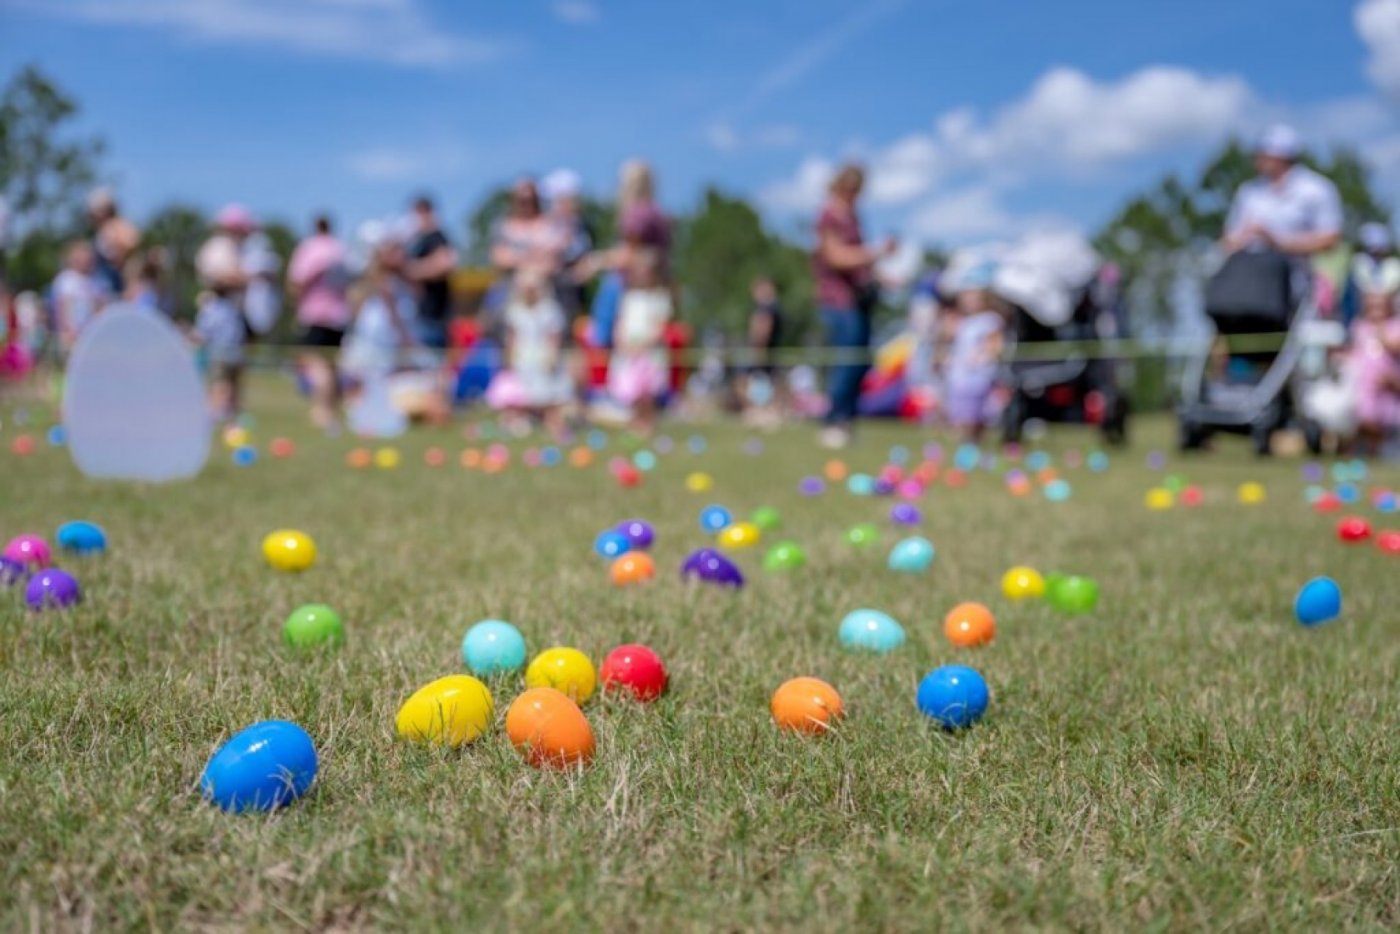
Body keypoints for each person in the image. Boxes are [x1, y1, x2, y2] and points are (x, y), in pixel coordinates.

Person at [812, 162, 895, 449]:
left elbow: (860, 262)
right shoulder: (829, 214)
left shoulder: (853, 217)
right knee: (846, 362)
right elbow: (835, 257)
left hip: (858, 301)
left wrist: (881, 276)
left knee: (859, 362)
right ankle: (833, 421)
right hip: (838, 301)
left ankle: (847, 422)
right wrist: (876, 252)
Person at [1223, 125, 1342, 260]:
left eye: (1264, 155)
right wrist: (1239, 239)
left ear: (1282, 157)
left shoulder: (1316, 188)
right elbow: (1228, 238)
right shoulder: (1248, 191)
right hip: (1247, 265)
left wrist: (1277, 241)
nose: (1258, 159)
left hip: (1295, 268)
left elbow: (1330, 239)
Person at [486, 267, 571, 436]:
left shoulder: (549, 309)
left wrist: (552, 355)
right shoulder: (515, 310)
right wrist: (509, 357)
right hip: (523, 357)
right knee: (518, 393)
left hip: (542, 357)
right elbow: (512, 337)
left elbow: (553, 336)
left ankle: (551, 423)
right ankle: (517, 420)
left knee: (549, 396)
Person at [288, 214, 352, 428]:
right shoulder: (341, 249)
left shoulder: (310, 248)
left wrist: (296, 303)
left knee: (317, 363)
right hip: (339, 315)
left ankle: (322, 411)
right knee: (332, 365)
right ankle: (332, 411)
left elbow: (299, 279)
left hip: (315, 314)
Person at [608, 248, 672, 434]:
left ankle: (647, 423)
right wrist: (622, 342)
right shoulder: (627, 296)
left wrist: (642, 346)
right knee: (631, 389)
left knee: (647, 390)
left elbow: (659, 327)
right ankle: (635, 423)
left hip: (649, 352)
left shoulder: (659, 297)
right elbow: (620, 323)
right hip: (628, 351)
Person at [942, 268, 1008, 442]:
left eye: (974, 297)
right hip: (960, 374)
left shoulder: (990, 319)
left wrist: (983, 356)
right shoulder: (963, 321)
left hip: (979, 375)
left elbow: (996, 344)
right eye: (967, 297)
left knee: (976, 413)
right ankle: (965, 442)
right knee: (959, 412)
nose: (970, 301)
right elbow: (952, 342)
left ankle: (974, 441)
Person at [1346, 288, 1400, 455]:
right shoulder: (1359, 326)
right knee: (1363, 416)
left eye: (1381, 306)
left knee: (1384, 417)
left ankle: (1380, 449)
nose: (1377, 311)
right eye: (1373, 306)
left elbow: (1395, 346)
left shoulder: (1394, 326)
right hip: (1364, 386)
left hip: (1388, 388)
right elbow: (1355, 351)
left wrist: (1380, 331)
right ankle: (1366, 450)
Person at [405, 195, 457, 349]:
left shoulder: (436, 237)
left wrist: (412, 270)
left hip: (433, 318)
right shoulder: (417, 240)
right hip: (418, 317)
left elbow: (445, 264)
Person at [51, 241, 105, 353]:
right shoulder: (66, 279)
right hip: (71, 333)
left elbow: (99, 307)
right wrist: (67, 329)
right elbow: (63, 306)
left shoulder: (96, 281)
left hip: (90, 331)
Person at [86, 188, 140, 297]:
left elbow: (132, 243)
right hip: (103, 284)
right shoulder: (101, 230)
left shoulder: (118, 226)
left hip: (117, 281)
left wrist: (118, 252)